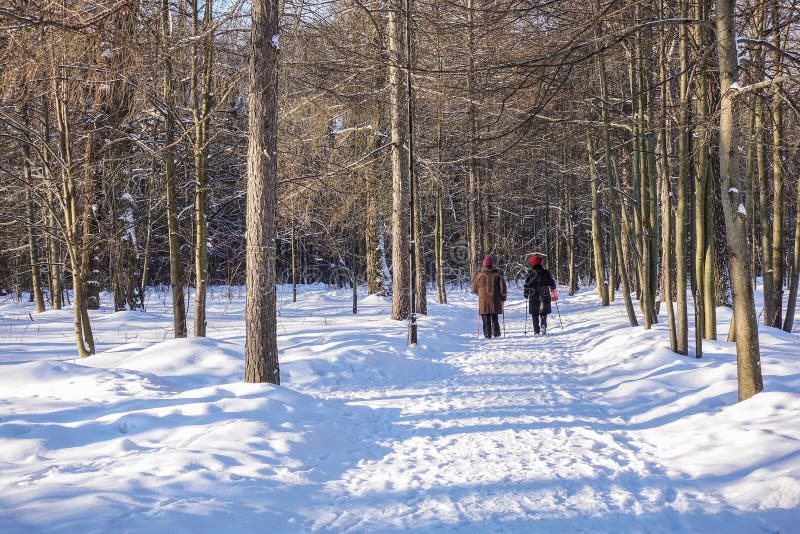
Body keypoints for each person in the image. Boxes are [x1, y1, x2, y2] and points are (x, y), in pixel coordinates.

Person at [472, 256, 507, 339]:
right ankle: (496, 333)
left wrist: (478, 293)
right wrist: (503, 297)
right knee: (494, 317)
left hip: (483, 300)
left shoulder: (479, 275)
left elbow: (474, 289)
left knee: (485, 317)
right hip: (495, 299)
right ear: (492, 265)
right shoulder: (497, 274)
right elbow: (503, 288)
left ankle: (487, 334)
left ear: (484, 265)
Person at [523, 254, 557, 335]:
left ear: (533, 263)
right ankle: (543, 325)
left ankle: (536, 330)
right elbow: (551, 282)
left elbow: (527, 284)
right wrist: (553, 288)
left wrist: (526, 294)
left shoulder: (530, 273)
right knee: (543, 312)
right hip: (544, 295)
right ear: (540, 263)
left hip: (534, 296)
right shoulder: (546, 272)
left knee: (535, 313)